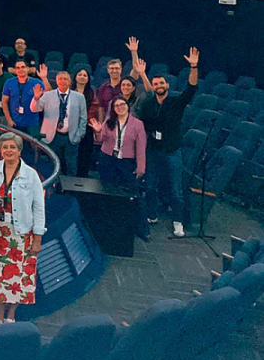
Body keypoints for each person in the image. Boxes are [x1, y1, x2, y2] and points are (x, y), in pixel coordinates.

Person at [0, 133, 45, 330]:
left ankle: (11, 317)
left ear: (19, 151)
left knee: (19, 276)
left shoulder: (31, 175)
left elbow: (38, 207)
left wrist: (37, 238)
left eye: (12, 147)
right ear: (0, 150)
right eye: (5, 147)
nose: (8, 151)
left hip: (22, 234)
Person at [134, 47, 199, 238]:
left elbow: (191, 89)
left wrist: (193, 67)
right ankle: (152, 214)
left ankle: (178, 221)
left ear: (167, 85)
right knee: (150, 186)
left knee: (175, 189)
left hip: (172, 150)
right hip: (153, 150)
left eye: (161, 83)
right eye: (155, 84)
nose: (158, 86)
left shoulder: (176, 102)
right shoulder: (148, 104)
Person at [88, 97, 149, 241]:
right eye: (116, 106)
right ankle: (107, 224)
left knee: (133, 194)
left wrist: (141, 167)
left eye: (122, 104)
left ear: (127, 106)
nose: (120, 107)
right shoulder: (109, 121)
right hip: (108, 160)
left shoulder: (137, 124)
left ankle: (142, 229)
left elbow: (141, 147)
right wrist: (98, 131)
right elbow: (100, 140)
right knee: (107, 191)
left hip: (126, 162)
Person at [30, 71, 87, 177]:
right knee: (52, 163)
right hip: (52, 136)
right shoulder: (47, 95)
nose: (62, 81)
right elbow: (34, 109)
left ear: (70, 82)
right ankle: (52, 184)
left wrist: (79, 135)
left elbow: (83, 117)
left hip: (71, 136)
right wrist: (36, 98)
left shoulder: (79, 97)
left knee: (71, 164)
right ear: (56, 81)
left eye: (65, 79)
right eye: (60, 79)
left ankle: (70, 185)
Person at [1, 61, 43, 136]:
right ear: (15, 70)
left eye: (23, 67)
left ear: (28, 68)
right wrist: (9, 120)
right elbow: (4, 102)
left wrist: (44, 78)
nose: (20, 69)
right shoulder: (9, 83)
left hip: (32, 124)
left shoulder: (36, 82)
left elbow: (49, 94)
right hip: (15, 123)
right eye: (18, 68)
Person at [73, 67, 97, 178]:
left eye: (85, 75)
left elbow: (95, 110)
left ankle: (82, 177)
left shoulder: (92, 93)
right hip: (71, 127)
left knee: (84, 154)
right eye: (80, 74)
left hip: (87, 127)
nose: (82, 77)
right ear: (75, 77)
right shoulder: (69, 91)